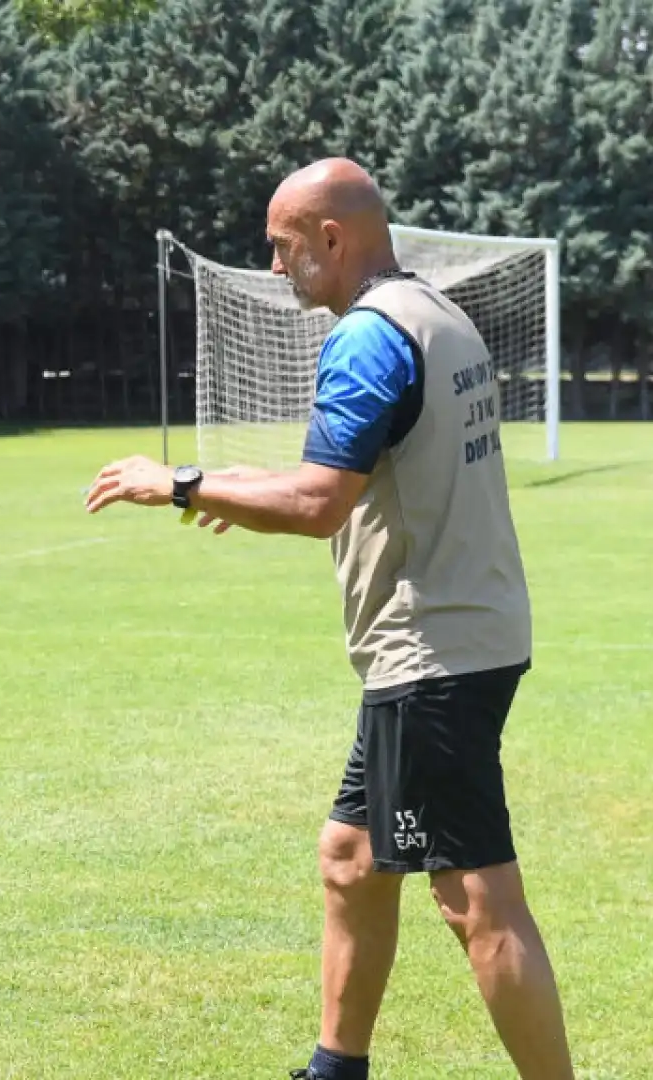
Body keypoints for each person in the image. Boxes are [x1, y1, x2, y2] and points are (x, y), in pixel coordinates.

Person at [84, 158, 575, 1080]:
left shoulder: (367, 338)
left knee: (477, 902)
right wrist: (234, 490)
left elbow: (318, 501)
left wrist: (180, 483)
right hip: (465, 632)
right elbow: (358, 476)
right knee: (352, 855)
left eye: (282, 245)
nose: (273, 268)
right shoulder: (438, 316)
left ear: (331, 239)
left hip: (429, 650)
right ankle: (334, 1069)